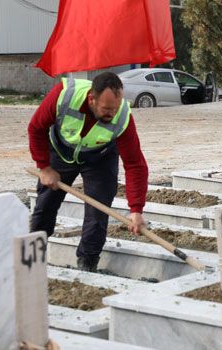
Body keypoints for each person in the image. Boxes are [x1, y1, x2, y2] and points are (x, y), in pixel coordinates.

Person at [28, 72, 148, 272]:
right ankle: (31, 260)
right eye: (107, 108)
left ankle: (87, 264)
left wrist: (136, 210)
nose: (112, 113)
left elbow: (135, 164)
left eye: (115, 108)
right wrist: (44, 167)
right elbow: (36, 128)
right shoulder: (64, 95)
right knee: (45, 205)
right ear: (92, 99)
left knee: (98, 212)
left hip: (100, 158)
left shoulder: (123, 116)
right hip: (61, 152)